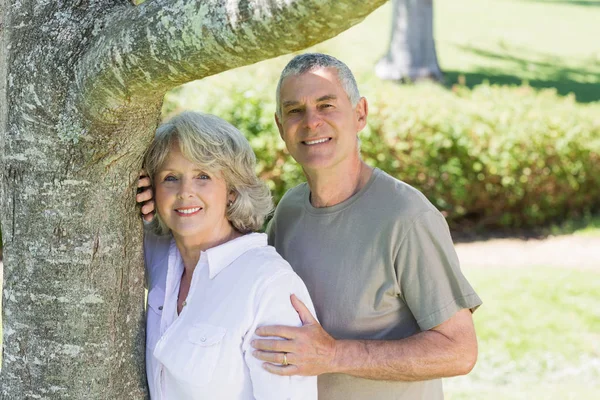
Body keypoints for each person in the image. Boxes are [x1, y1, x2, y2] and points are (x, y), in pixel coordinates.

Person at [138, 54, 482, 399]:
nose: (311, 122)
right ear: (279, 125)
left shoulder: (406, 217)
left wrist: (332, 354)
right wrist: (156, 209)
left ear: (360, 114)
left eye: (326, 105)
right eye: (294, 111)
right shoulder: (290, 211)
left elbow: (459, 350)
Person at [140, 111, 317, 399]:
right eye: (171, 178)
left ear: (231, 192)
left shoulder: (269, 284)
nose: (185, 192)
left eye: (203, 177)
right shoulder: (162, 258)